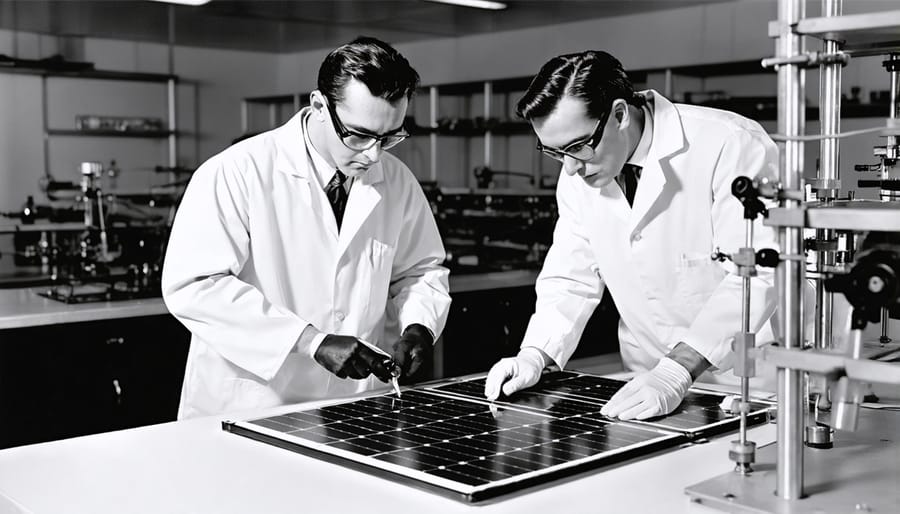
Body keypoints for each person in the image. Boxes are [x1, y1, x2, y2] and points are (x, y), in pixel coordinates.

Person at [162, 37, 451, 419]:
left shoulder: (397, 181)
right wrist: (310, 341)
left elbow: (421, 271)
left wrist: (418, 326)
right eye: (359, 134)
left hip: (354, 406)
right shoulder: (236, 172)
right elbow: (194, 286)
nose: (373, 154)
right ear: (319, 105)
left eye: (389, 137)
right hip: (252, 405)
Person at [483, 50, 780, 420]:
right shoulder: (578, 168)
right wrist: (536, 353)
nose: (571, 168)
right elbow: (571, 276)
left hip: (745, 378)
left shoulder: (729, 143)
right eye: (555, 153)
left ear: (620, 115)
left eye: (578, 147)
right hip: (645, 381)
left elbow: (758, 274)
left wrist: (676, 371)